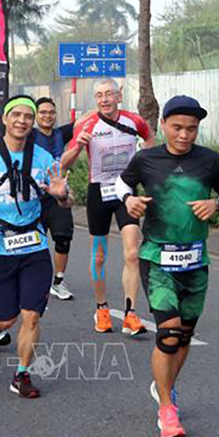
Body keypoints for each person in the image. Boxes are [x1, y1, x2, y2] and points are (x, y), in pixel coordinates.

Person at [117, 95, 219, 437]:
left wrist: (217, 204)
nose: (185, 135)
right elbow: (121, 184)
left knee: (183, 336)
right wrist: (129, 200)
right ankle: (167, 407)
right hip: (157, 257)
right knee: (168, 334)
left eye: (192, 129)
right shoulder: (146, 159)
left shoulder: (211, 160)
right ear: (164, 126)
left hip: (196, 260)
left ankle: (164, 386)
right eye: (178, 127)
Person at [0, 95, 71, 399]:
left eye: (28, 116)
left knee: (32, 314)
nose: (23, 121)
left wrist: (63, 195)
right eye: (17, 115)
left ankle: (21, 374)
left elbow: (65, 197)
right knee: (5, 317)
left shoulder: (44, 159)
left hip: (34, 245)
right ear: (6, 120)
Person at [61, 78, 156, 336]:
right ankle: (102, 309)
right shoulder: (86, 125)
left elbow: (150, 140)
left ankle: (131, 313)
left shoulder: (134, 121)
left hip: (126, 192)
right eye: (99, 95)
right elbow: (64, 164)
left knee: (133, 253)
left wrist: (145, 169)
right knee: (100, 254)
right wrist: (79, 144)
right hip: (98, 192)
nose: (104, 99)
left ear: (118, 96)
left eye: (109, 94)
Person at [32, 97, 76, 301]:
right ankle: (33, 279)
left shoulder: (61, 134)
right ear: (35, 115)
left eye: (51, 112)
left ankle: (58, 282)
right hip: (34, 196)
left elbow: (85, 121)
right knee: (34, 241)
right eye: (42, 112)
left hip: (58, 196)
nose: (47, 116)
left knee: (63, 239)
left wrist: (108, 100)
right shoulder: (29, 135)